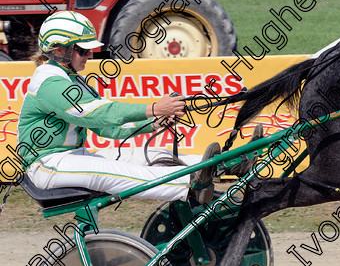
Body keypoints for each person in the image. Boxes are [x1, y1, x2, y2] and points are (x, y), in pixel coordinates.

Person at [17, 11, 219, 203]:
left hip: (72, 157)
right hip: (46, 165)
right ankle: (189, 185)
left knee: (149, 155)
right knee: (114, 172)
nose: (89, 55)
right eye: (83, 49)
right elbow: (96, 114)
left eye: (90, 50)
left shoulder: (75, 80)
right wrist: (155, 108)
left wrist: (153, 123)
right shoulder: (48, 82)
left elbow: (108, 128)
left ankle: (217, 164)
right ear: (59, 50)